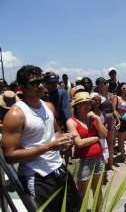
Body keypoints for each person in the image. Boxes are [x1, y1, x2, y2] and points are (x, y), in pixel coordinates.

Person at [1, 65, 80, 211]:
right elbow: (10, 156)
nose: (40, 85)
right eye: (34, 83)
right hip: (36, 176)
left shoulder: (49, 106)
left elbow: (56, 131)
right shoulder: (16, 115)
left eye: (41, 81)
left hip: (58, 168)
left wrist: (63, 140)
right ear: (21, 87)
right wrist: (50, 146)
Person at [66, 91, 107, 210]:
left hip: (98, 158)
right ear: (76, 106)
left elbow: (104, 134)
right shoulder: (71, 122)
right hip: (84, 161)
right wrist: (96, 138)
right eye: (83, 104)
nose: (86, 106)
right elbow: (79, 143)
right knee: (82, 192)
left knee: (97, 189)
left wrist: (98, 119)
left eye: (88, 103)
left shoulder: (93, 118)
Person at [95, 77, 117, 171]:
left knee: (111, 143)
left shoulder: (110, 95)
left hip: (111, 120)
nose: (106, 84)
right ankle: (101, 164)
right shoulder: (96, 96)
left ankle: (111, 163)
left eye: (106, 83)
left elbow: (113, 109)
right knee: (101, 143)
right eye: (104, 83)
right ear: (99, 84)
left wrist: (118, 119)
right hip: (101, 121)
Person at [112, 82, 126, 164]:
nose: (125, 89)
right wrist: (118, 120)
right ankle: (123, 157)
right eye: (123, 88)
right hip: (121, 121)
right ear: (120, 89)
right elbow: (114, 110)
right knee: (121, 141)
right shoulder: (116, 98)